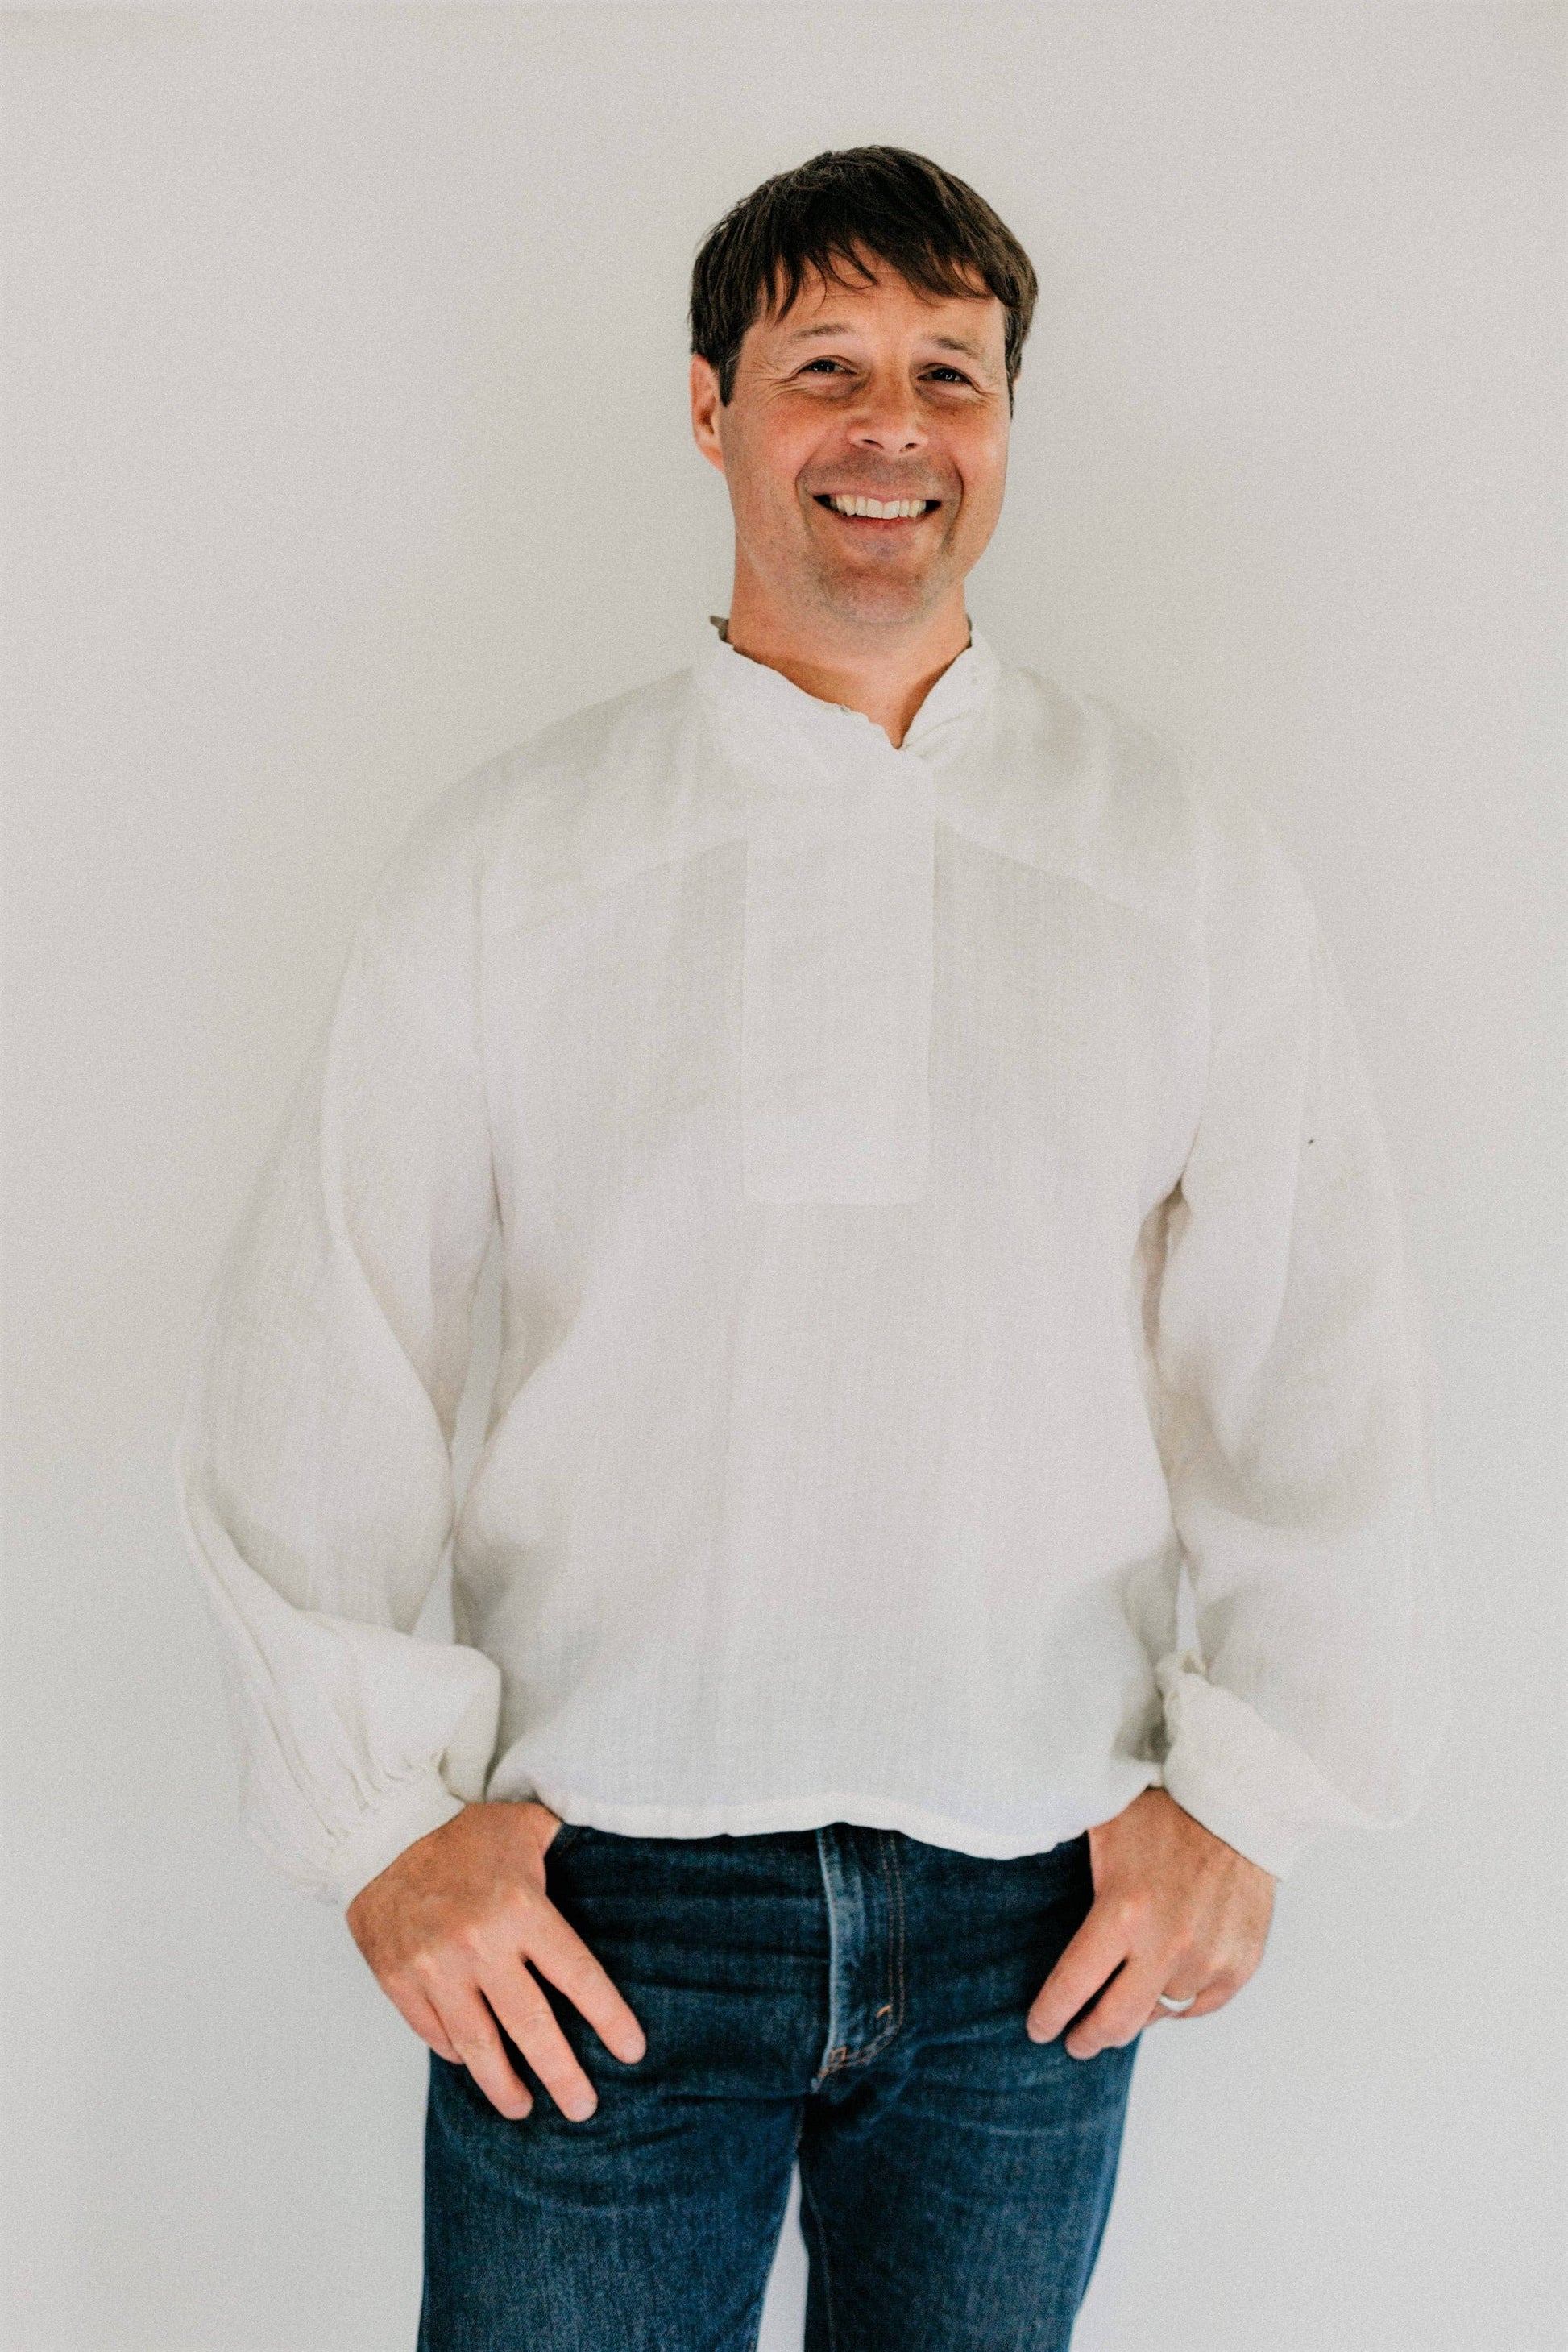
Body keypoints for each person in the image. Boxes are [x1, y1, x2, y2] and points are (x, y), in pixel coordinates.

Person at [173, 146, 1450, 2351]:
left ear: (1009, 420)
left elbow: (1315, 1355)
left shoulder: (1177, 864)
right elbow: (328, 1335)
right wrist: (379, 1822)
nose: (893, 428)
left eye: (950, 373)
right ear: (710, 409)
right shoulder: (518, 860)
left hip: (1035, 1907)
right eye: (825, 367)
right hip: (602, 1904)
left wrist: (1246, 1799)